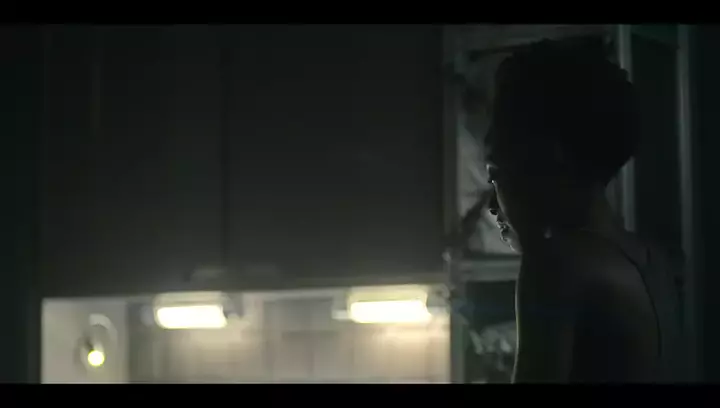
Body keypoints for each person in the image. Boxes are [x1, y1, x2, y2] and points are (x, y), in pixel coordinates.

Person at [484, 39, 685, 383]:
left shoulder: (557, 266)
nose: (492, 204)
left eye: (496, 175)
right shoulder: (653, 260)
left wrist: (536, 249)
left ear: (548, 158)